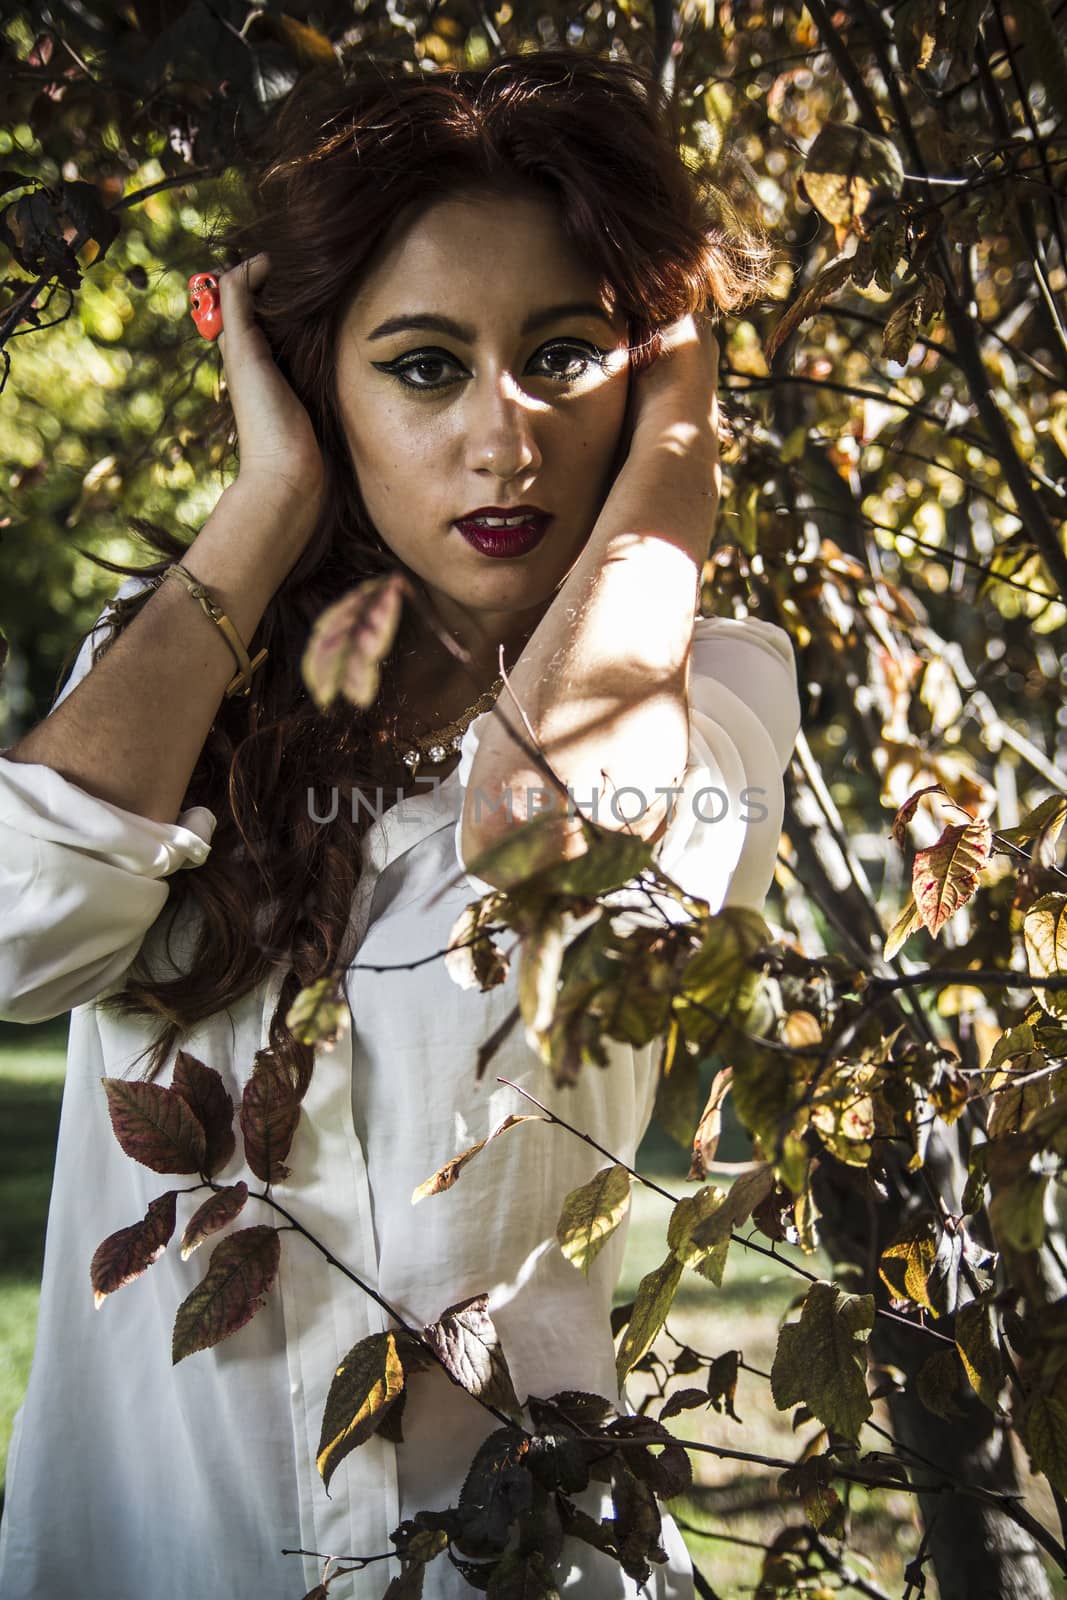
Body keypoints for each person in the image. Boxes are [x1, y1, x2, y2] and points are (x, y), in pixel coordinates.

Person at [0, 47, 800, 1600]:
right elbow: (14, 934)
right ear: (320, 380)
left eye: (566, 356)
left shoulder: (717, 696)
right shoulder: (168, 684)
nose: (504, 439)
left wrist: (685, 427)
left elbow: (538, 836)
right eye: (426, 365)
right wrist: (272, 493)